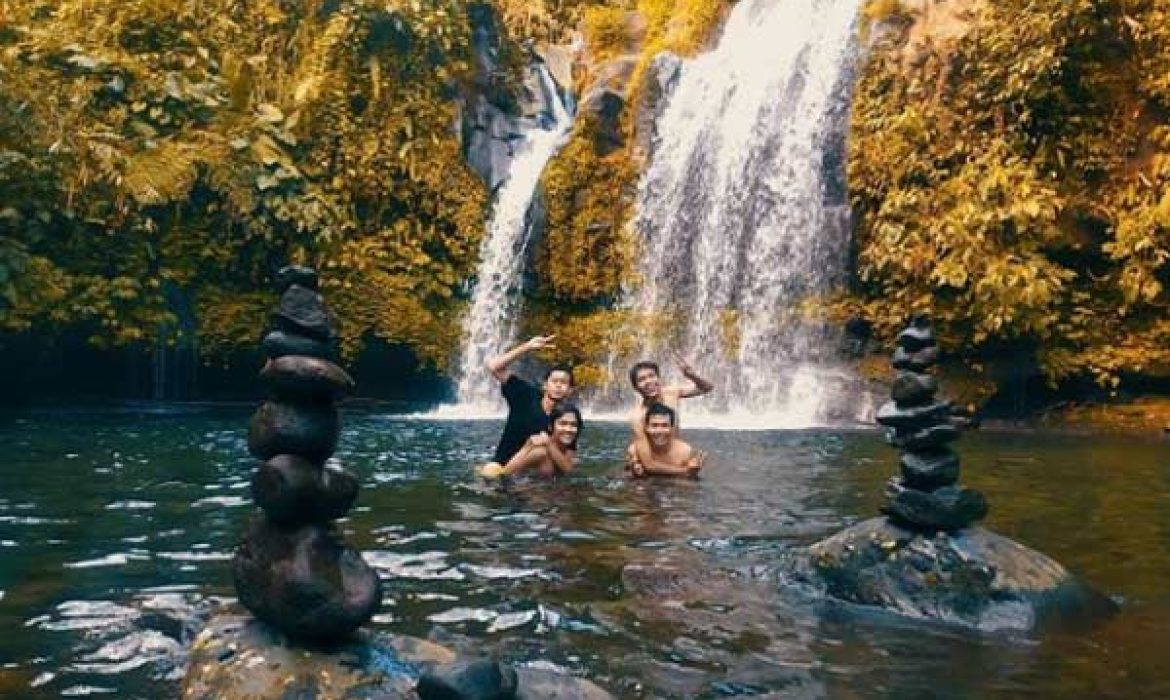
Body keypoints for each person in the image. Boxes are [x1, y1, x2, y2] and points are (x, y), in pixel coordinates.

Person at [478, 334, 574, 472]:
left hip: (537, 471)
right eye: (554, 381)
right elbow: (494, 367)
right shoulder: (526, 395)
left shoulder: (568, 417)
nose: (558, 386)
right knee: (490, 471)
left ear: (570, 390)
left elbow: (568, 461)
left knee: (543, 453)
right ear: (545, 385)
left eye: (563, 383)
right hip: (503, 465)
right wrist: (527, 347)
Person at [628, 351, 713, 468]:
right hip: (651, 461)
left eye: (651, 376)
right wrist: (686, 472)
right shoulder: (638, 417)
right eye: (641, 379)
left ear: (658, 378)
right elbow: (649, 464)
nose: (648, 381)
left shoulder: (671, 393)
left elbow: (707, 388)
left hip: (674, 456)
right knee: (633, 451)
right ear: (636, 387)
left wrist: (692, 375)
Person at [480, 403, 582, 479]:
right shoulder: (541, 452)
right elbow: (505, 474)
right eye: (563, 424)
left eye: (573, 425)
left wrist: (550, 444)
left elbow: (568, 469)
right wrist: (527, 447)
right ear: (551, 427)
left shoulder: (569, 447)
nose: (568, 429)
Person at [627, 403, 705, 478]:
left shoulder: (684, 451)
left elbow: (689, 483)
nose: (659, 431)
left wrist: (693, 473)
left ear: (672, 428)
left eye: (665, 425)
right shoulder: (635, 450)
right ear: (646, 428)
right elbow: (626, 475)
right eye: (654, 425)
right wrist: (636, 474)